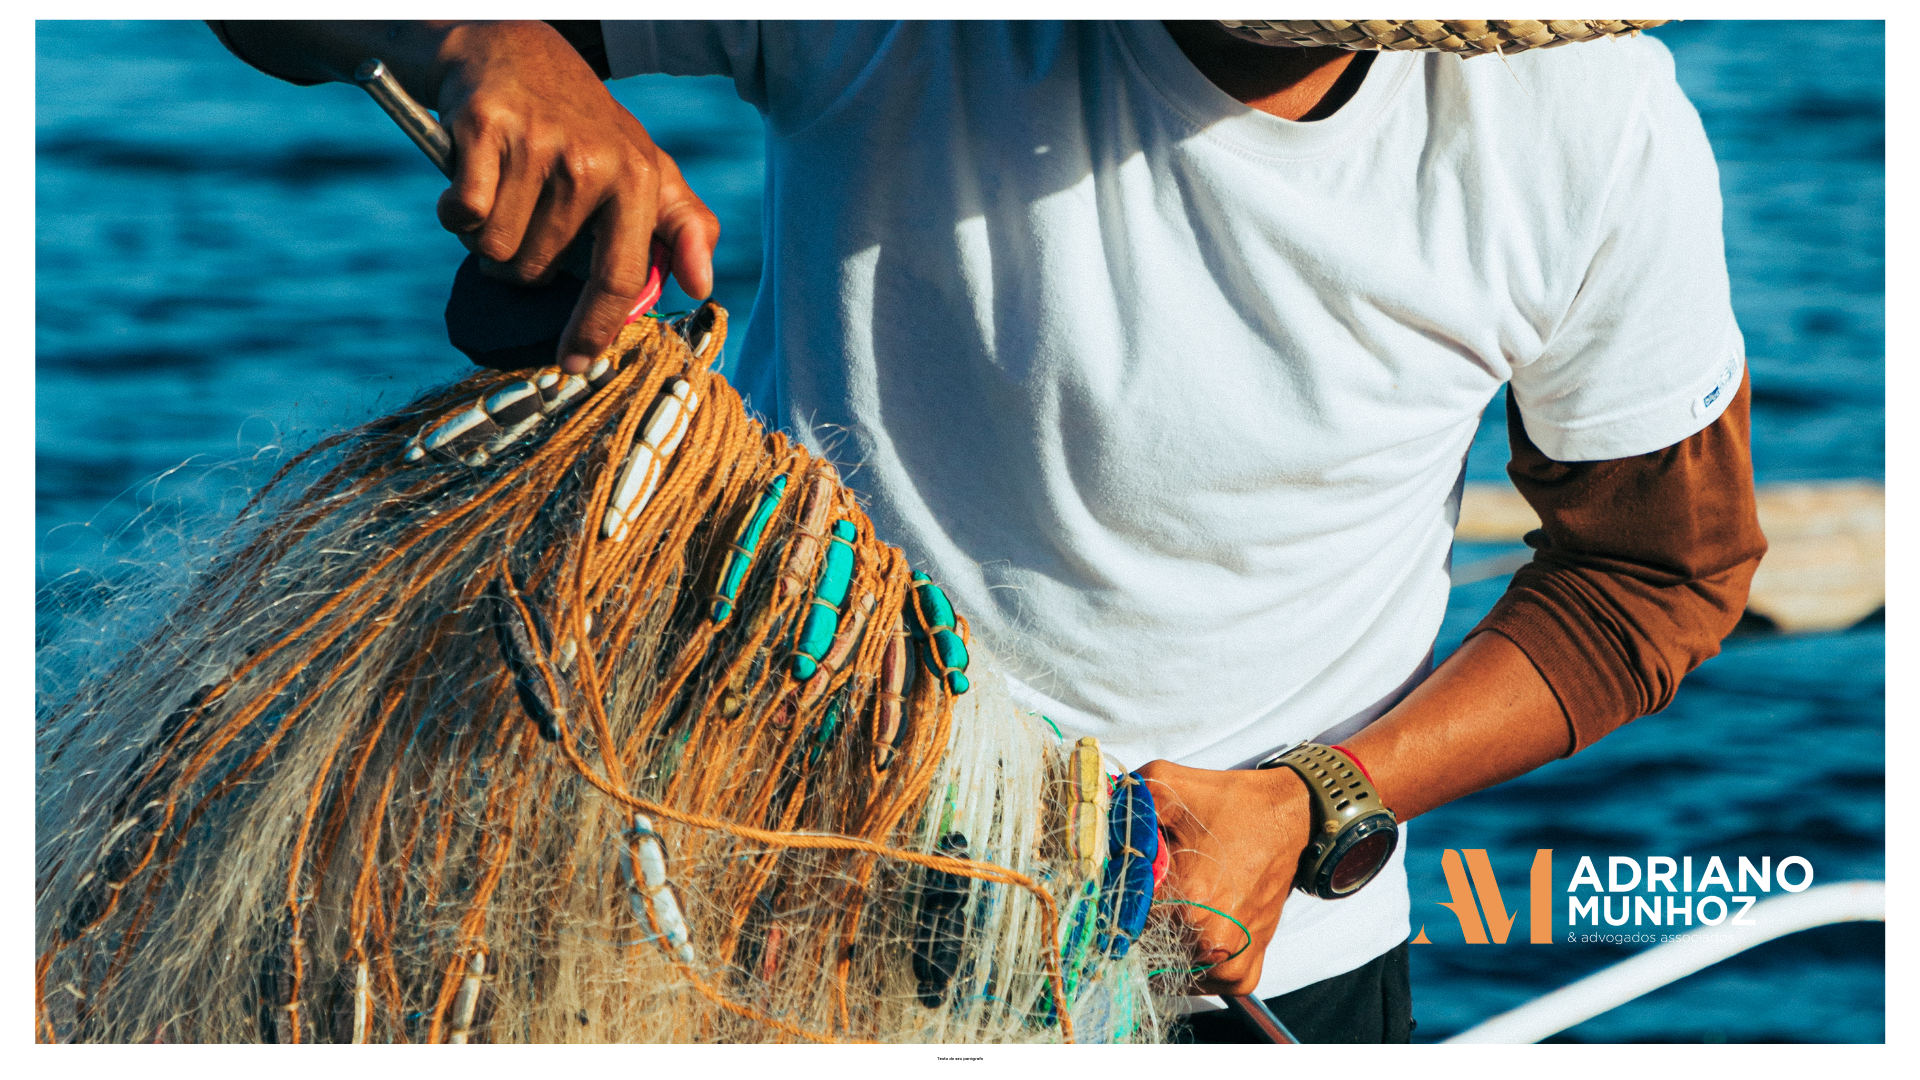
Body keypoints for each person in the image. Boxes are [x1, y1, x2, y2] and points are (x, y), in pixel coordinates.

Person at [208, 19, 1768, 1043]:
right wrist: (489, 39)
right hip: (756, 917)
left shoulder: (1586, 125)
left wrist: (1310, 803)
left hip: (1239, 956)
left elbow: (1656, 575)